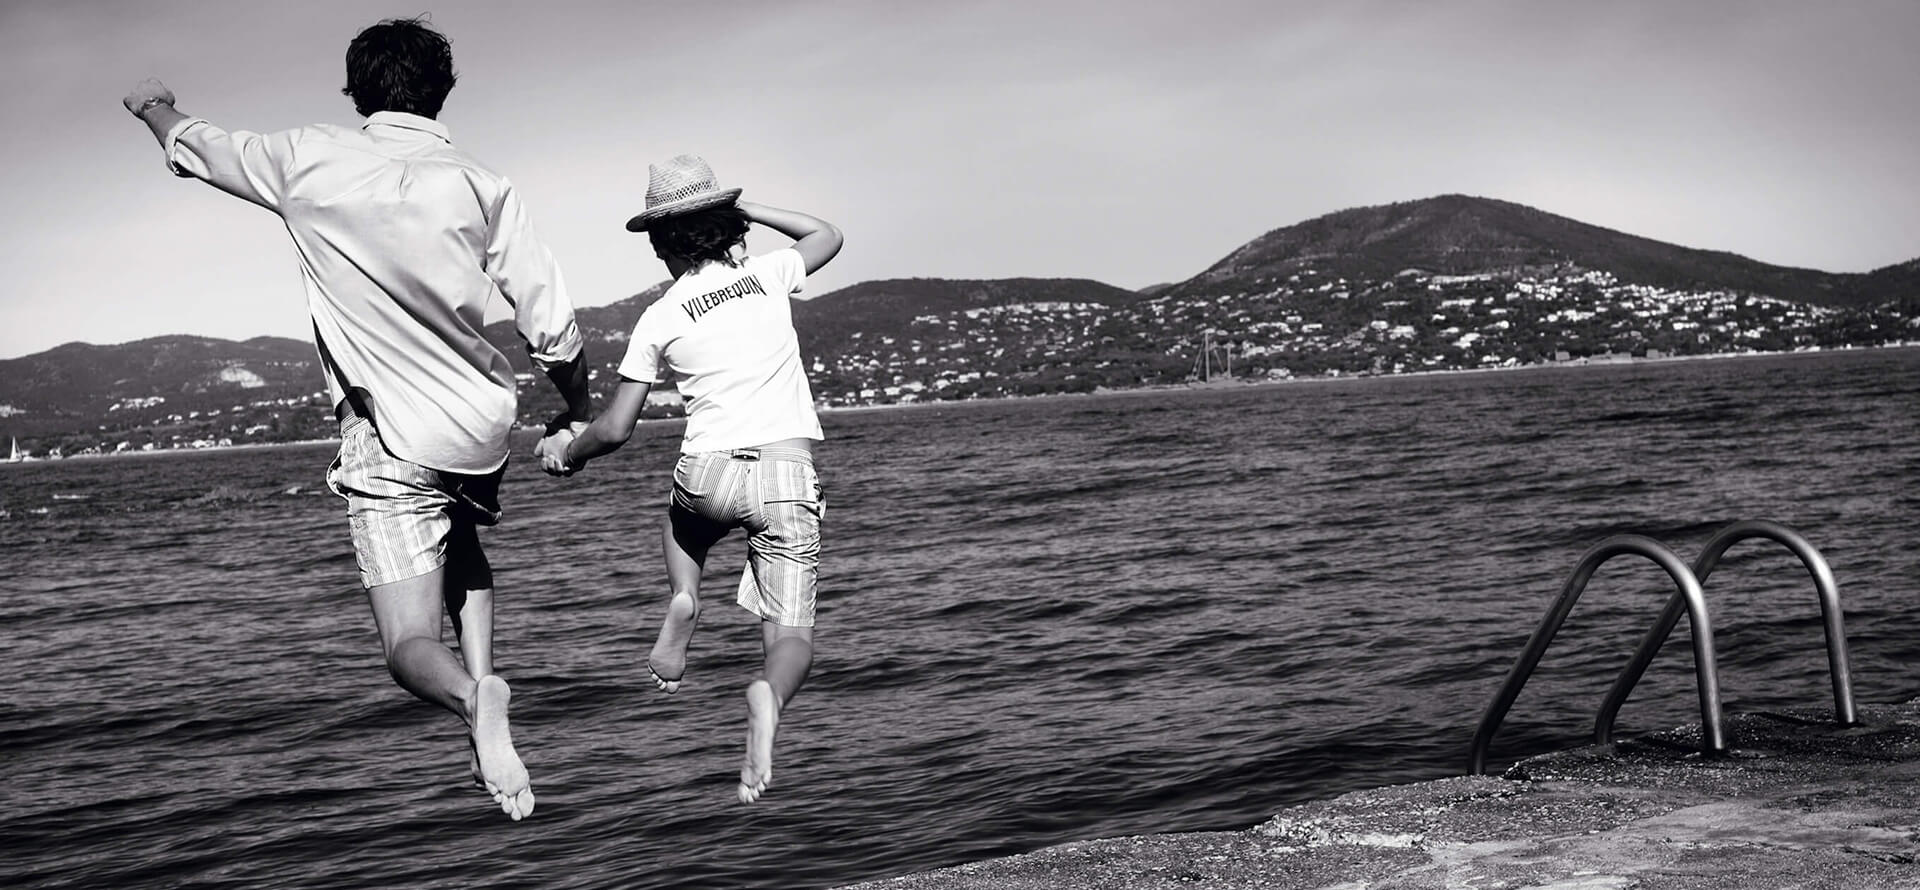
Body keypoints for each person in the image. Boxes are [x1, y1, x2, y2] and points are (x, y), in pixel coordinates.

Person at [122, 17, 592, 821]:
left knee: (409, 649)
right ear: (442, 90)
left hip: (386, 433)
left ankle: (472, 698)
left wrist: (154, 107)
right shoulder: (483, 182)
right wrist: (579, 408)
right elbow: (550, 321)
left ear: (356, 91)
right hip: (478, 429)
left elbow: (197, 147)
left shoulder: (307, 156)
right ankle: (481, 698)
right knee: (463, 546)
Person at [536, 154, 842, 804]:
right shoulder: (766, 275)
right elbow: (827, 235)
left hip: (708, 468)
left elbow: (616, 428)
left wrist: (570, 451)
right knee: (790, 638)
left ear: (660, 245)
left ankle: (686, 597)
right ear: (725, 225)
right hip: (786, 473)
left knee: (684, 530)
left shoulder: (660, 316)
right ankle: (770, 695)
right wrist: (742, 209)